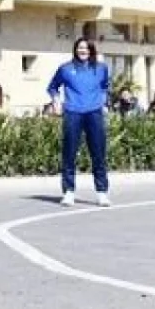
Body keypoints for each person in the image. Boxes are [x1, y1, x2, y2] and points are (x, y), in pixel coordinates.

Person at [47, 38, 111, 207]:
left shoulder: (101, 68)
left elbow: (105, 86)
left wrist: (103, 101)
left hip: (94, 113)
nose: (83, 51)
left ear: (91, 50)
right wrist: (56, 101)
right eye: (80, 48)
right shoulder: (65, 69)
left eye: (86, 48)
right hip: (73, 113)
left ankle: (102, 192)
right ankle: (69, 192)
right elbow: (52, 87)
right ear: (75, 50)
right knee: (69, 153)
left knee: (98, 154)